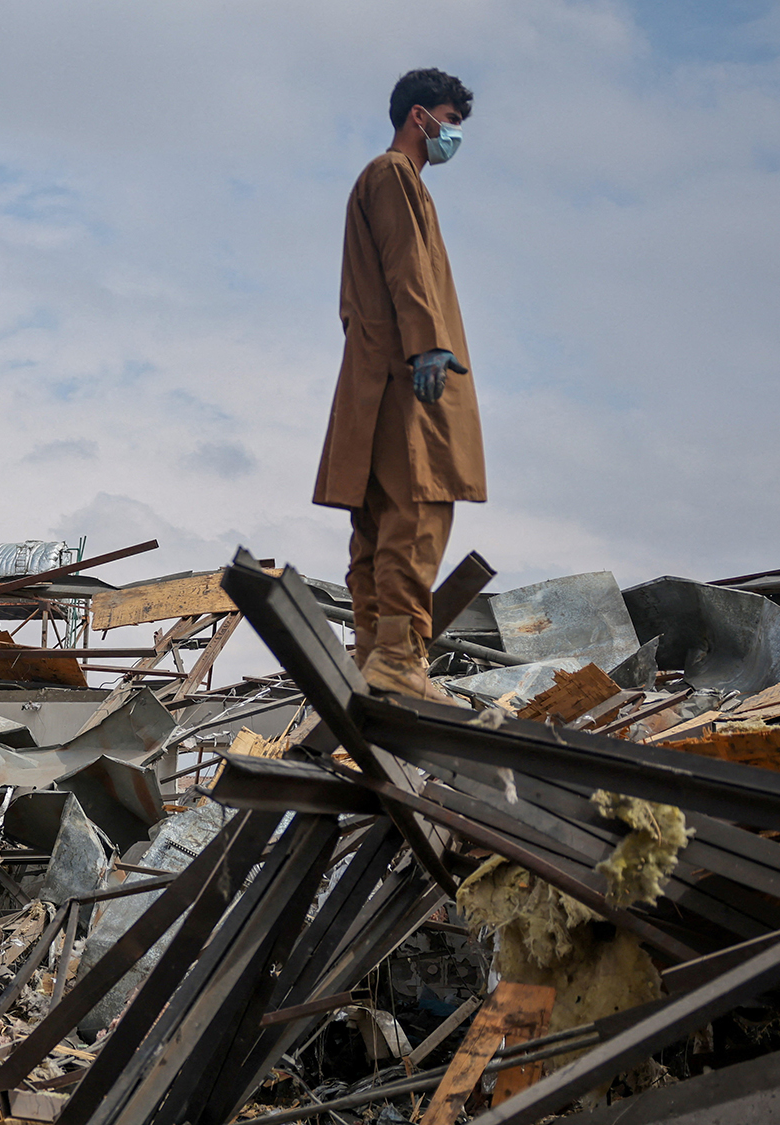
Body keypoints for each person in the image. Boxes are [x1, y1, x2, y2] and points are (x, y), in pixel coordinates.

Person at [312, 68, 484, 701]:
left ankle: (372, 661)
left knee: (380, 523)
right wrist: (428, 345)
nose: (455, 136)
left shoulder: (385, 181)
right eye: (452, 121)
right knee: (419, 508)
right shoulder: (393, 176)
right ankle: (398, 660)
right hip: (409, 380)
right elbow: (407, 264)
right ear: (421, 117)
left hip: (377, 377)